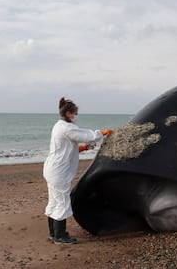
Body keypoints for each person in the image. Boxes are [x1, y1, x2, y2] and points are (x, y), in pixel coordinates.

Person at [43, 97, 112, 244]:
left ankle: (53, 233)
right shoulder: (67, 128)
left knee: (55, 201)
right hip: (58, 172)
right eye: (75, 113)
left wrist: (84, 148)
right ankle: (60, 236)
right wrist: (101, 133)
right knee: (62, 202)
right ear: (68, 113)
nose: (76, 116)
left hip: (52, 168)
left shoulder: (59, 126)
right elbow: (85, 135)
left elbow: (67, 148)